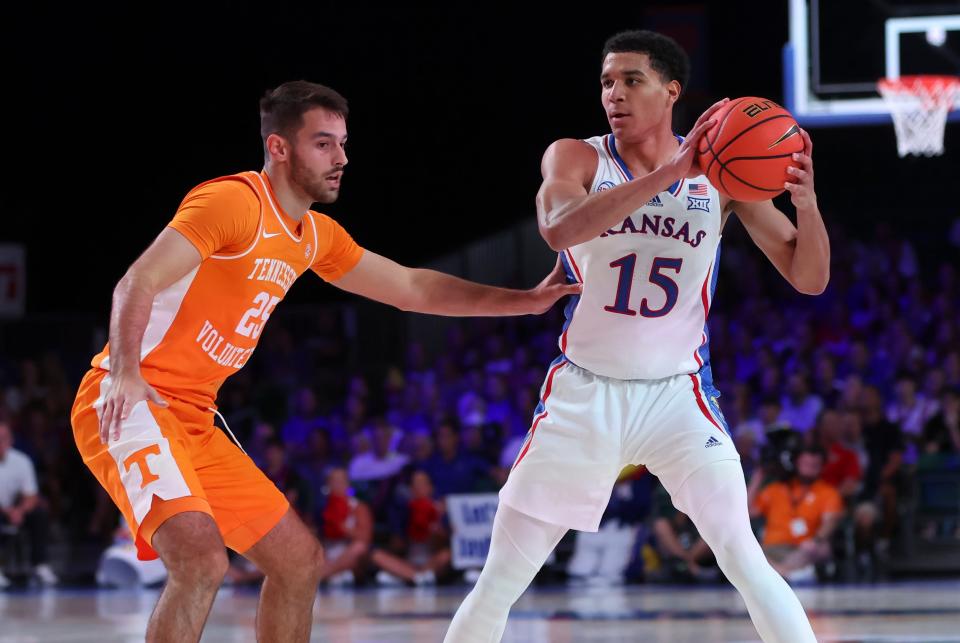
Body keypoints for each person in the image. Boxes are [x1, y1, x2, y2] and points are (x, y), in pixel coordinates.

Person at [69, 80, 579, 642]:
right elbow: (137, 280)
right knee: (202, 562)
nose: (341, 158)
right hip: (131, 398)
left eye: (342, 143)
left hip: (195, 417)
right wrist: (123, 374)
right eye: (323, 143)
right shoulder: (232, 202)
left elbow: (413, 288)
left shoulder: (313, 235)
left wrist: (525, 302)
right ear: (280, 148)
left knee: (298, 562)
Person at [445, 30, 829, 643]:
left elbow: (809, 278)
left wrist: (806, 208)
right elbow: (559, 229)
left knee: (743, 556)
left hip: (678, 394)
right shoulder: (577, 157)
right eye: (605, 82)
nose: (613, 94)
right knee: (501, 579)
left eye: (631, 80)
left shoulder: (723, 178)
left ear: (671, 91)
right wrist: (672, 173)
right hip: (584, 393)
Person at [749, 446, 843, 581]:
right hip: (770, 548)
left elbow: (831, 520)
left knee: (823, 548)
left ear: (822, 467)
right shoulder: (775, 488)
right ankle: (787, 574)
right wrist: (757, 479)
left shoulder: (828, 492)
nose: (809, 469)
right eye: (805, 464)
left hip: (803, 548)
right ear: (796, 464)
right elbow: (748, 512)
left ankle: (778, 574)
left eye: (814, 465)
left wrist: (816, 540)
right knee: (747, 549)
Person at [0, 419, 58, 587]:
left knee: (39, 513)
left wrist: (19, 511)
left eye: (3, 438)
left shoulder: (22, 461)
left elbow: (31, 495)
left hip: (15, 511)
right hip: (2, 511)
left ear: (11, 440)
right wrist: (7, 511)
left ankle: (40, 564)